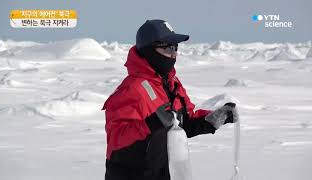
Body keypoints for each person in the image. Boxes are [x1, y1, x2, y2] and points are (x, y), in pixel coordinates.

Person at [102, 19, 239, 180]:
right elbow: (116, 142)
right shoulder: (131, 90)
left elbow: (182, 124)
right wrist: (151, 124)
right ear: (149, 50)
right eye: (167, 48)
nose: (174, 54)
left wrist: (214, 118)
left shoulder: (172, 84)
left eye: (175, 47)